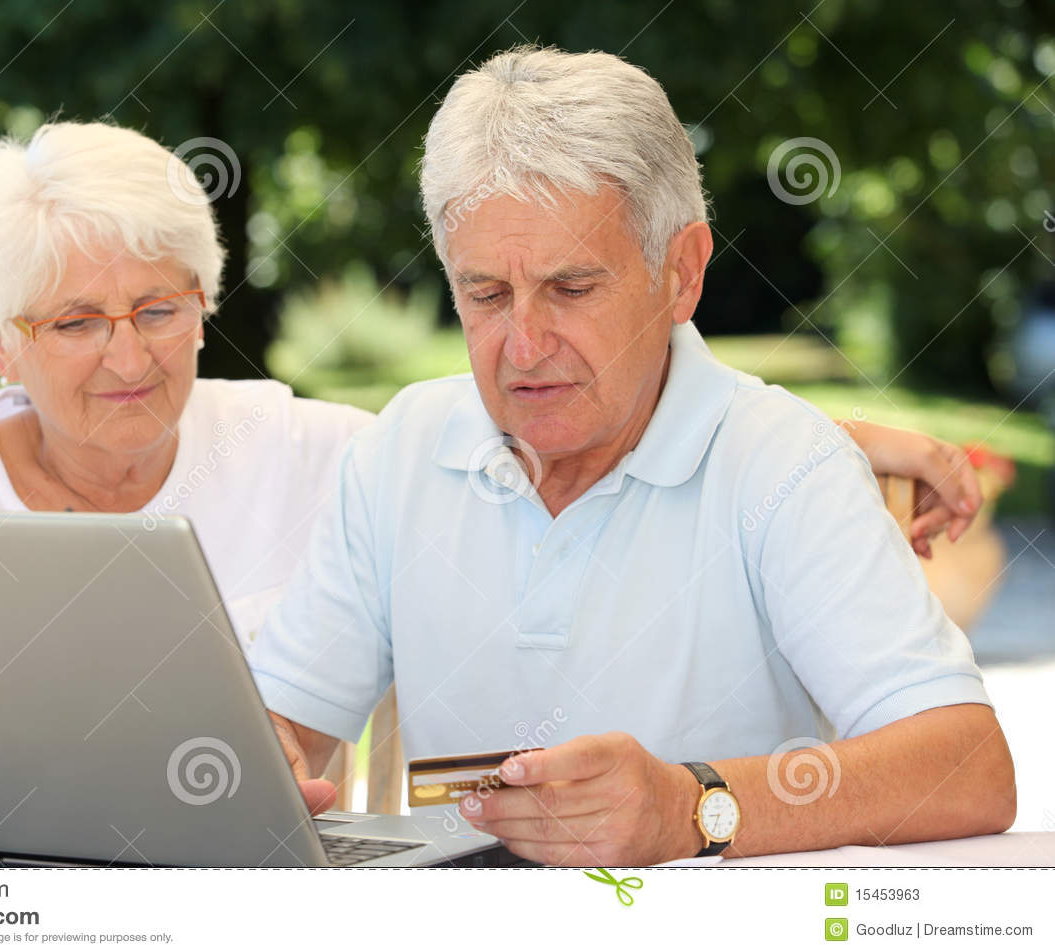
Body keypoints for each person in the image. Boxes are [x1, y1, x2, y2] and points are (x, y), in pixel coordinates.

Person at [0, 116, 983, 868]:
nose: (128, 358)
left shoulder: (326, 449)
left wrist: (819, 434)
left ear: (206, 304)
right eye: (74, 321)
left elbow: (584, 402)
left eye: (161, 310)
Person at [256, 46, 1015, 866]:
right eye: (485, 293)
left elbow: (968, 766)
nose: (524, 345)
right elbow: (282, 727)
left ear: (681, 271)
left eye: (572, 288)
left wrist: (695, 806)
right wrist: (258, 760)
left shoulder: (782, 461)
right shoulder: (403, 446)